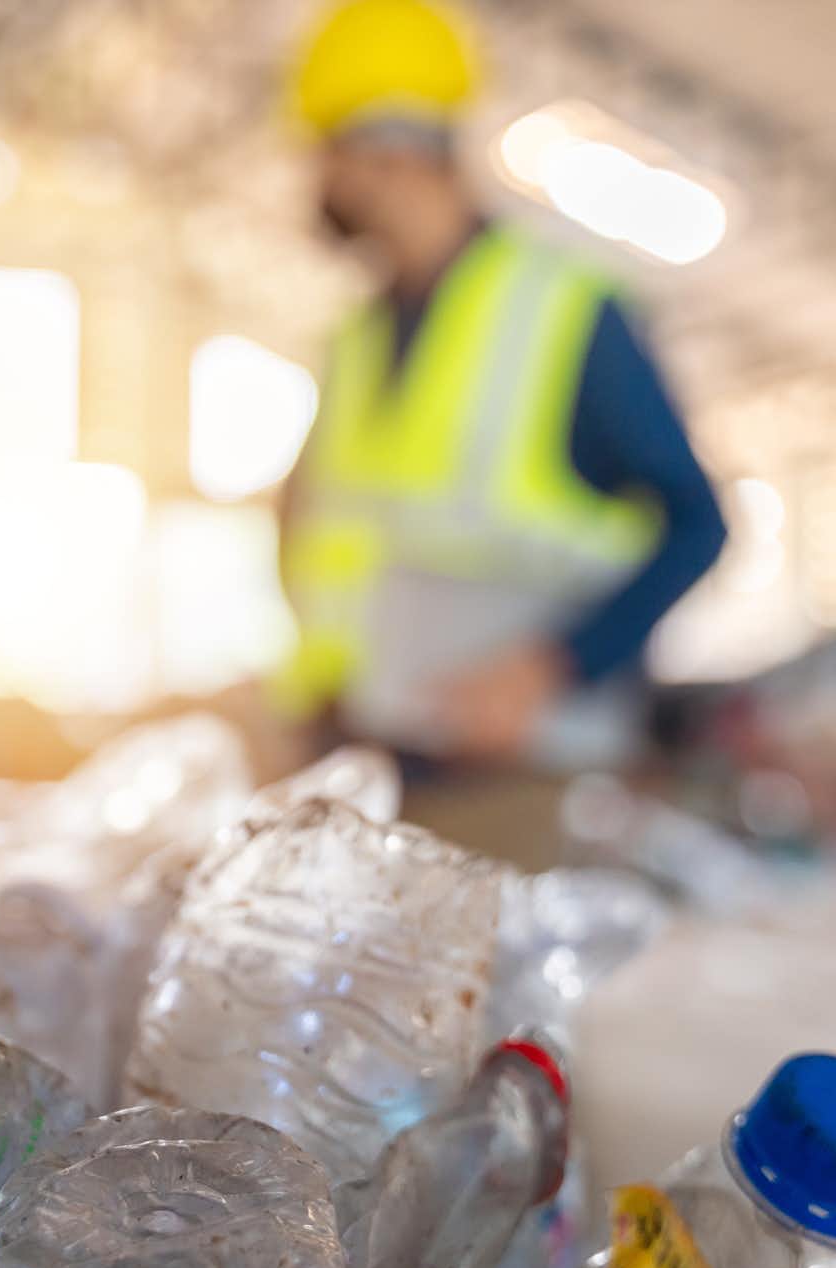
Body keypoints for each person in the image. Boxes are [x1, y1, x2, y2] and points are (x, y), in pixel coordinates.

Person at [273, 0, 728, 806]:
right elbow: (327, 539)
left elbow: (698, 523)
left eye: (325, 152)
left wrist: (550, 668)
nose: (318, 181)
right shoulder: (356, 342)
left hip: (531, 783)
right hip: (381, 763)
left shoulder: (565, 311)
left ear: (385, 150)